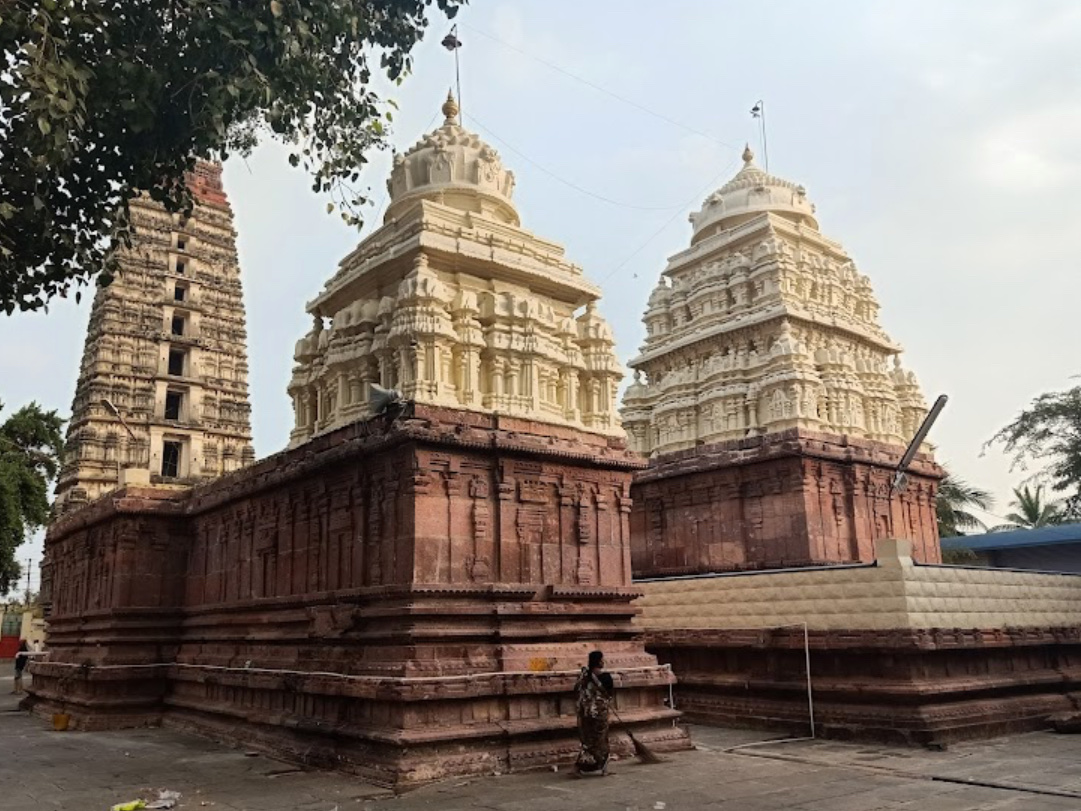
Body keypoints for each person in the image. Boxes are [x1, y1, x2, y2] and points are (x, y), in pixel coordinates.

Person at [574, 650, 615, 775]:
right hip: (599, 713)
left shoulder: (584, 678)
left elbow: (577, 691)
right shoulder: (605, 677)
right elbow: (609, 693)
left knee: (588, 741)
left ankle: (580, 766)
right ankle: (603, 768)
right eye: (602, 659)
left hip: (585, 713)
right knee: (601, 740)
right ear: (599, 661)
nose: (603, 662)